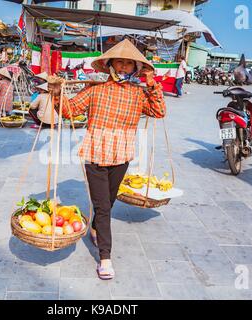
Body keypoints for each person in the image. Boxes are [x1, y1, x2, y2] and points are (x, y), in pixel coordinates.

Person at [51, 39, 166, 280]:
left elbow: (158, 111)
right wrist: (57, 93)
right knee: (103, 207)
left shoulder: (138, 94)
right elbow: (69, 111)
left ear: (135, 68)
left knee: (109, 202)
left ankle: (94, 228)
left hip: (121, 155)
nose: (123, 67)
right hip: (95, 156)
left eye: (128, 64)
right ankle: (105, 257)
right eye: (119, 62)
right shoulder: (94, 89)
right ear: (111, 64)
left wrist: (152, 85)